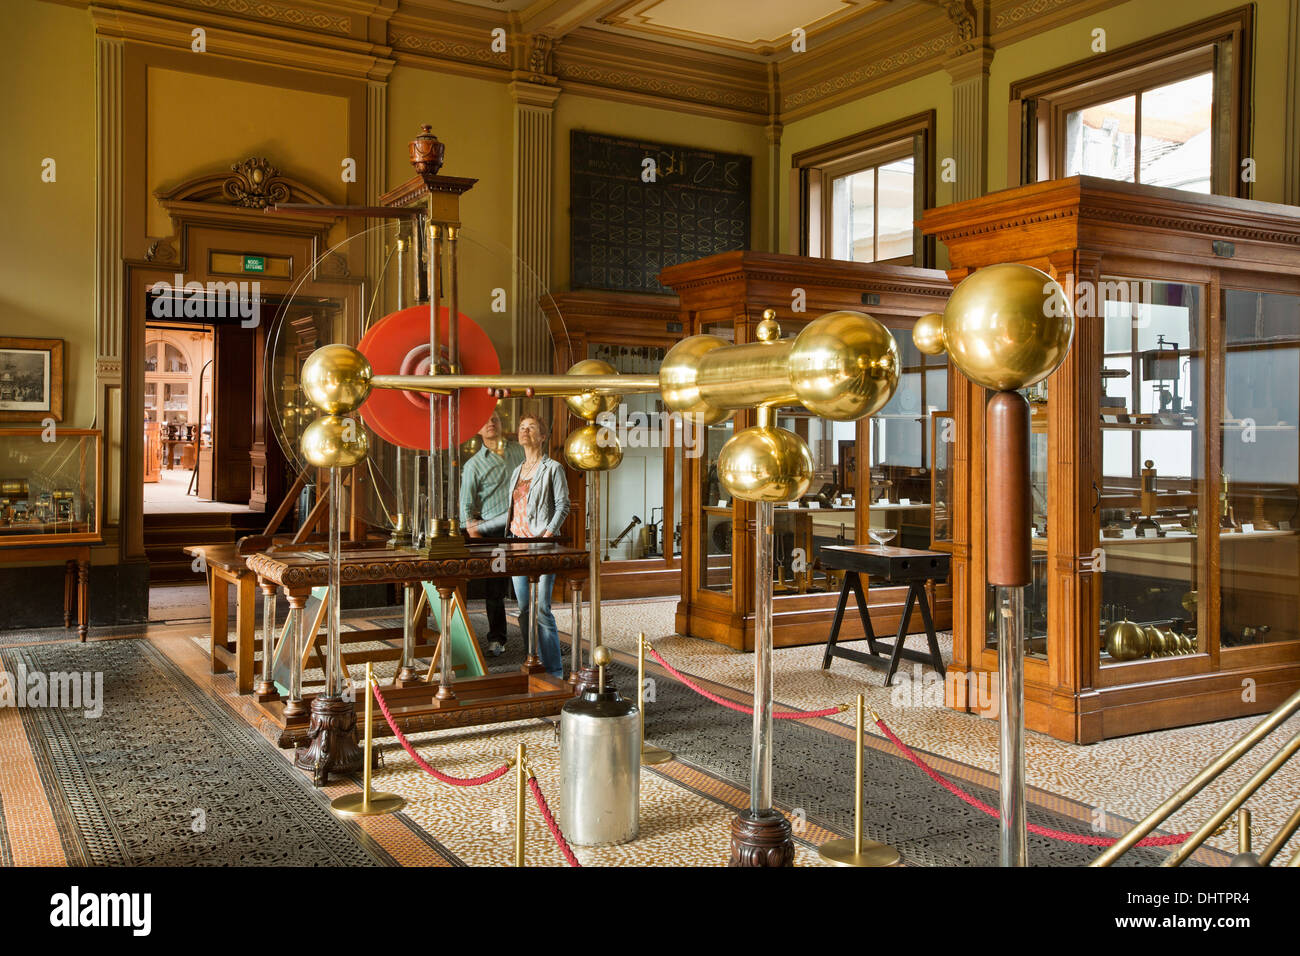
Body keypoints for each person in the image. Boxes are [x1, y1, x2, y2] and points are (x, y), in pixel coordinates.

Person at [505, 413, 570, 678]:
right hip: (517, 546)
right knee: (524, 610)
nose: (525, 431)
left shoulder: (553, 468)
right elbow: (513, 509)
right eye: (522, 427)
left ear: (542, 436)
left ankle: (554, 672)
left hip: (541, 547)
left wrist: (548, 533)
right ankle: (535, 663)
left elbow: (564, 505)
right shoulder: (516, 471)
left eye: (531, 428)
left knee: (541, 609)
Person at [461, 411, 525, 657]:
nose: (490, 423)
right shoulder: (473, 465)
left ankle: (535, 638)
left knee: (529, 583)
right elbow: (465, 507)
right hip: (494, 532)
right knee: (495, 588)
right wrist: (474, 534)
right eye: (484, 420)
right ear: (477, 430)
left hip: (524, 528)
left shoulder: (519, 451)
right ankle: (497, 639)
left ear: (501, 424)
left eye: (495, 419)